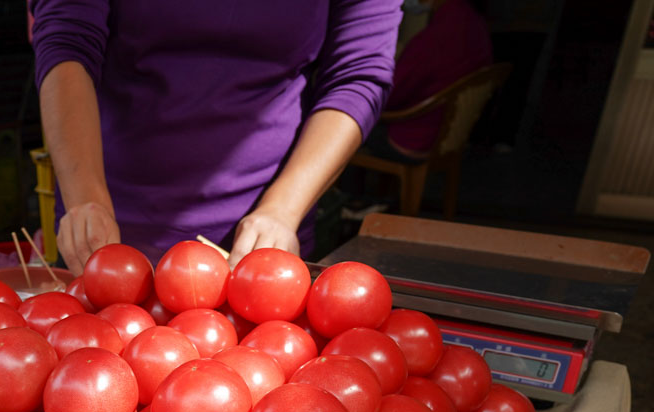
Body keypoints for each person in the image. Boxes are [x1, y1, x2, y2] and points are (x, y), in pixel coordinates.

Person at [32, 1, 403, 271]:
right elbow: (67, 42)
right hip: (108, 232)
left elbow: (359, 73)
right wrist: (86, 200)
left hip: (264, 240)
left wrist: (282, 210)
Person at [374, 0, 494, 159]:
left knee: (346, 128)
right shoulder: (474, 23)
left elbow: (390, 94)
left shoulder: (443, 31)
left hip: (414, 136)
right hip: (447, 134)